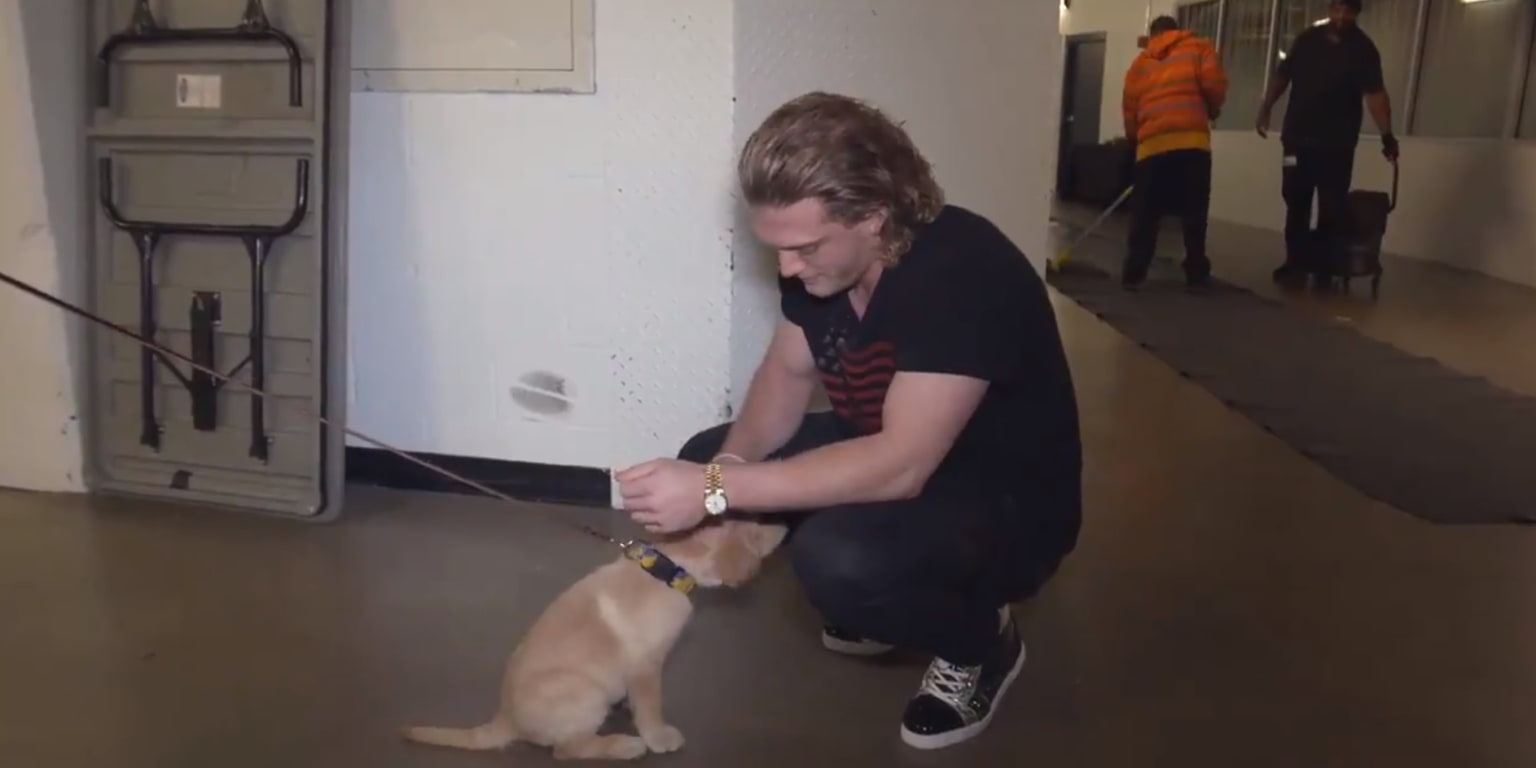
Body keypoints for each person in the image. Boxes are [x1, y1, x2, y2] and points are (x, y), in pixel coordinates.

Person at [614, 91, 1083, 750]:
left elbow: (901, 465)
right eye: (775, 248)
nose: (786, 269)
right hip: (898, 452)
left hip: (1003, 497)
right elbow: (785, 376)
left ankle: (982, 639)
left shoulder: (962, 275)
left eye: (804, 247)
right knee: (708, 450)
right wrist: (726, 469)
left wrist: (716, 492)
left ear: (874, 216)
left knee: (843, 560)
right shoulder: (820, 269)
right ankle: (886, 595)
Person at [1255, 0, 1399, 289]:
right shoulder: (1307, 40)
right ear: (1330, 9)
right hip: (1297, 138)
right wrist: (1266, 106)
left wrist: (1387, 135)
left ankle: (1323, 268)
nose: (1341, 17)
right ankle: (1295, 263)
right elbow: (1284, 75)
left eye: (1348, 12)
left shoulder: (1363, 50)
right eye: (1337, 10)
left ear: (1357, 13)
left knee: (1331, 206)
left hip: (1337, 144)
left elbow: (1375, 95)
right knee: (1295, 199)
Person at [1120, 14, 1228, 290]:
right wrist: (1212, 110)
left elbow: (1130, 108)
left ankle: (1134, 272)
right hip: (1192, 142)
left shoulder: (1140, 65)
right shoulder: (1199, 48)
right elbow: (1214, 84)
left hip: (1152, 146)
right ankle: (1195, 274)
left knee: (1146, 213)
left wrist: (1135, 141)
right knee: (1194, 211)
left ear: (1153, 35)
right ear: (1177, 31)